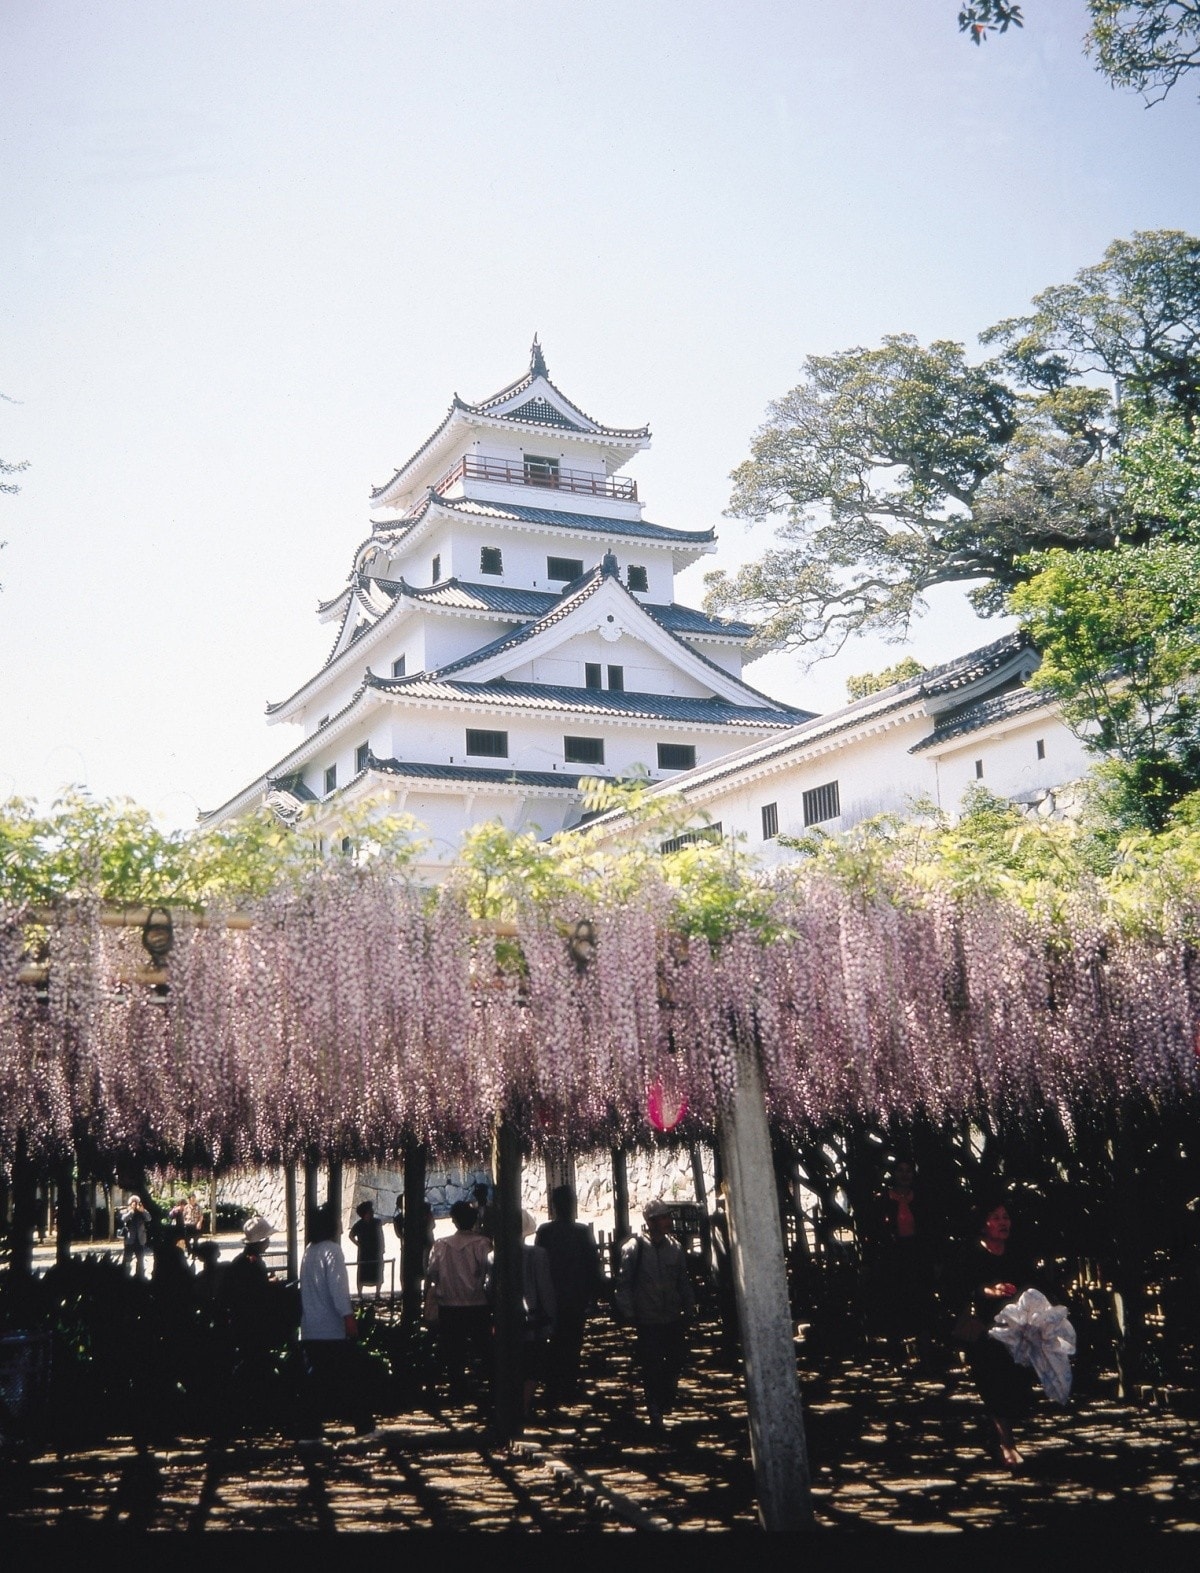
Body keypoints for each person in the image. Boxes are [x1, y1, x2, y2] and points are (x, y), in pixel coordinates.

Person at [952, 1196, 1040, 1469]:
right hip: (985, 1330)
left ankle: (1001, 1432)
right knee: (994, 1383)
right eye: (996, 1217)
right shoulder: (970, 1254)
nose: (1003, 1223)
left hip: (1018, 1328)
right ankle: (1006, 1443)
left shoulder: (1017, 1252)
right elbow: (959, 1287)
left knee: (1018, 1383)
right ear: (983, 1224)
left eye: (1006, 1217)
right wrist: (988, 1290)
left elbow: (1032, 1282)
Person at [614, 1198, 695, 1434]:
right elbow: (624, 1283)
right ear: (650, 1222)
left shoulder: (676, 1248)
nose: (668, 1221)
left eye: (668, 1216)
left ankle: (664, 1400)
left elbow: (683, 1281)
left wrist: (689, 1307)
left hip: (671, 1317)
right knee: (651, 1366)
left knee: (675, 1361)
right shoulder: (634, 1248)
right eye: (662, 1217)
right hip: (647, 1320)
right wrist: (629, 1313)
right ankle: (654, 1409)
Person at [299, 1203, 375, 1443]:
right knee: (353, 1378)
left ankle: (309, 1430)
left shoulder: (309, 1251)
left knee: (317, 1382)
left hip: (310, 1328)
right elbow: (338, 1290)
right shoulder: (332, 1251)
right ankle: (364, 1426)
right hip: (331, 1329)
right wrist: (349, 1318)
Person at [487, 1210, 556, 1426]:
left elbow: (489, 1289)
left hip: (505, 1319)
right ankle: (524, 1406)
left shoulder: (493, 1256)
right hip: (532, 1318)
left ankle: (510, 1405)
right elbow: (545, 1289)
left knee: (509, 1361)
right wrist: (552, 1318)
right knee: (532, 1364)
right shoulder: (538, 1254)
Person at [864, 1158, 937, 1364]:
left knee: (921, 1302)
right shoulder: (882, 1200)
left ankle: (926, 1354)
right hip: (892, 1257)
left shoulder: (920, 1199)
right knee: (893, 1304)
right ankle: (896, 1354)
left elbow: (928, 1229)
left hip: (916, 1255)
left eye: (909, 1171)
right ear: (894, 1174)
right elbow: (874, 1231)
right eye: (901, 1171)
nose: (905, 1175)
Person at [535, 1184, 602, 1407]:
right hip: (573, 1296)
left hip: (552, 1295)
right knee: (572, 1344)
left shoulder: (545, 1232)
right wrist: (593, 1296)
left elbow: (540, 1264)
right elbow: (593, 1267)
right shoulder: (581, 1232)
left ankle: (554, 1388)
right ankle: (567, 1387)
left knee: (555, 1344)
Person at [426, 1199, 493, 1405]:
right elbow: (489, 1272)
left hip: (450, 1306)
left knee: (453, 1351)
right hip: (477, 1304)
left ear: (453, 1221)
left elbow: (432, 1273)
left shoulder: (441, 1245)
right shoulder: (483, 1244)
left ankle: (457, 1389)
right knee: (484, 1349)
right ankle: (489, 1389)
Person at [349, 1200, 386, 1300]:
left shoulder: (377, 1222)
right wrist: (358, 1244)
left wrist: (382, 1248)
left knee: (378, 1272)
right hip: (364, 1252)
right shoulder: (359, 1225)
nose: (372, 1212)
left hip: (376, 1251)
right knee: (362, 1274)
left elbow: (381, 1236)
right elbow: (351, 1235)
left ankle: (377, 1294)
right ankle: (360, 1294)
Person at [121, 1194, 150, 1279]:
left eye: (136, 1203)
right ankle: (125, 1274)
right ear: (130, 1204)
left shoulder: (142, 1211)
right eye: (133, 1203)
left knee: (140, 1260)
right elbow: (123, 1219)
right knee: (127, 1259)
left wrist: (143, 1211)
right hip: (130, 1240)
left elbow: (149, 1218)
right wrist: (131, 1211)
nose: (135, 1204)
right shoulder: (127, 1211)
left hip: (140, 1240)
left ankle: (140, 1275)